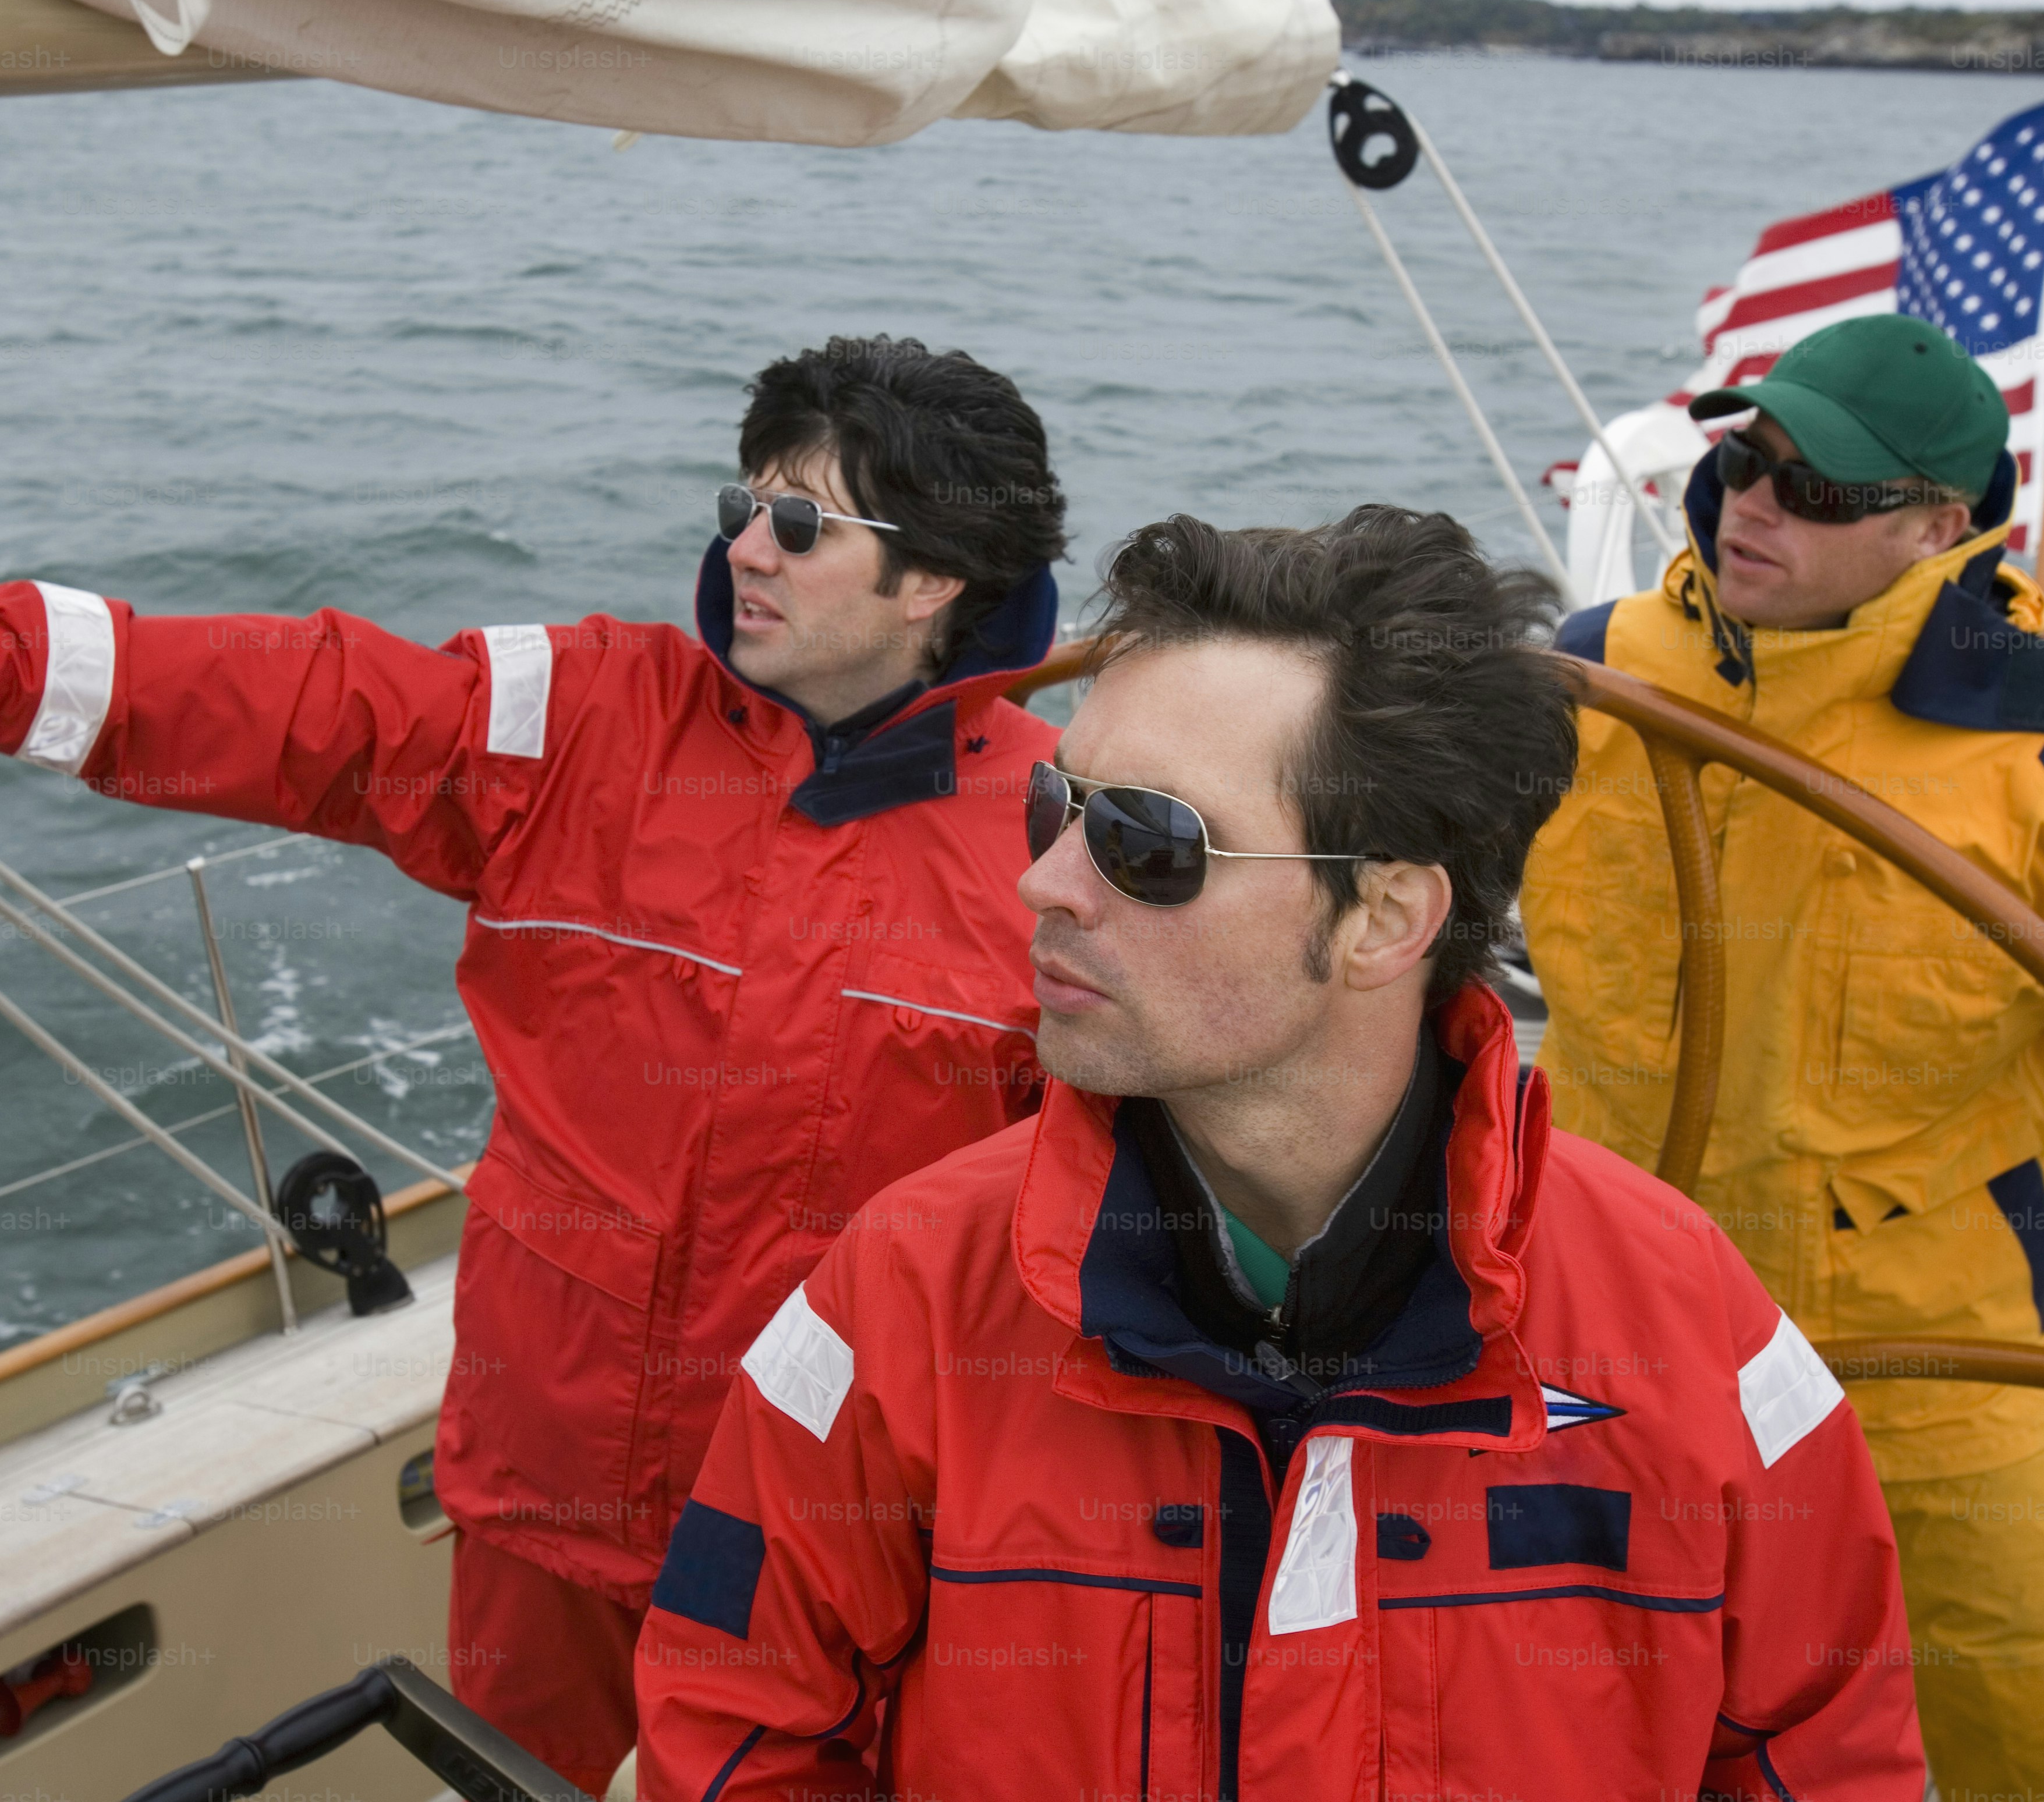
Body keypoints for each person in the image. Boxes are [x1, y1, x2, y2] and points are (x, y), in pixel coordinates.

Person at [0, 336, 1071, 1796]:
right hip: (544, 1501)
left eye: (801, 525)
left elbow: (1086, 1235)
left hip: (831, 1540)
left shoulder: (1059, 848)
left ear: (934, 580)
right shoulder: (577, 717)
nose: (747, 548)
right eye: (741, 506)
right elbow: (288, 698)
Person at [637, 509, 1925, 1801]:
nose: (1045, 882)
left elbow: (1829, 1757)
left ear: (1384, 917)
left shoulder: (1695, 1335)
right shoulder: (905, 1294)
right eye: (1055, 805)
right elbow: (735, 1725)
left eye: (1146, 841)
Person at [1522, 312, 2044, 1801]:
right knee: (1580, 1703)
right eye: (1745, 459)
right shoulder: (1591, 673)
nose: (1754, 504)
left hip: (1940, 1363)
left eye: (1818, 488)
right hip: (1603, 1319)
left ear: (1940, 527)